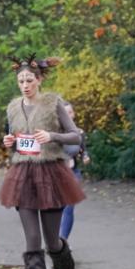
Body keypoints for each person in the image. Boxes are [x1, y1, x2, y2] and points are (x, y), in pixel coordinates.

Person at [0, 55, 85, 269]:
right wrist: (10, 142)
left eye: (29, 80)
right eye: (21, 81)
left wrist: (52, 136)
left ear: (39, 80)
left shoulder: (53, 103)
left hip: (50, 174)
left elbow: (75, 137)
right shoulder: (13, 108)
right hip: (22, 174)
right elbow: (17, 140)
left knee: (52, 240)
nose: (25, 85)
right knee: (32, 240)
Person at [59, 101, 86, 241]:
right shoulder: (54, 134)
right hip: (57, 174)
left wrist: (85, 156)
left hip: (73, 173)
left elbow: (83, 150)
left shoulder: (79, 133)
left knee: (69, 207)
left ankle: (63, 239)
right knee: (57, 208)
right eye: (65, 113)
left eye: (70, 112)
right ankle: (55, 240)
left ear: (74, 114)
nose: (68, 115)